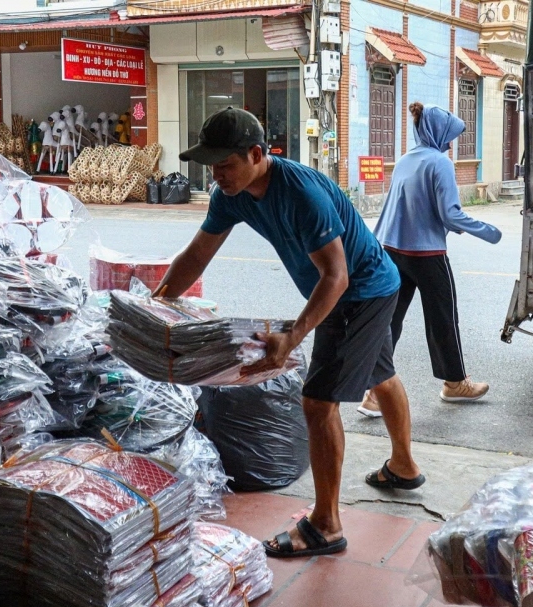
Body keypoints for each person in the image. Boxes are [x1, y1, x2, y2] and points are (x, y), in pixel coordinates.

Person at [154, 107, 424, 558]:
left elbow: (335, 277)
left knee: (317, 403)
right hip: (357, 287)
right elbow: (197, 256)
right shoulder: (230, 194)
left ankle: (326, 525)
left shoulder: (301, 194)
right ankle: (403, 466)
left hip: (359, 292)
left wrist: (292, 338)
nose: (216, 175)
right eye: (210, 166)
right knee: (381, 374)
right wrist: (156, 304)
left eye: (225, 164)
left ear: (257, 154)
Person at [359, 102, 503, 418]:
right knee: (443, 319)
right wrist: (488, 231)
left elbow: (392, 207)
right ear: (437, 133)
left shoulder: (405, 160)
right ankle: (454, 383)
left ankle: (372, 394)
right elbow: (450, 215)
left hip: (392, 251)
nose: (451, 144)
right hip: (426, 254)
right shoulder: (439, 163)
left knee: (389, 322)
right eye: (449, 137)